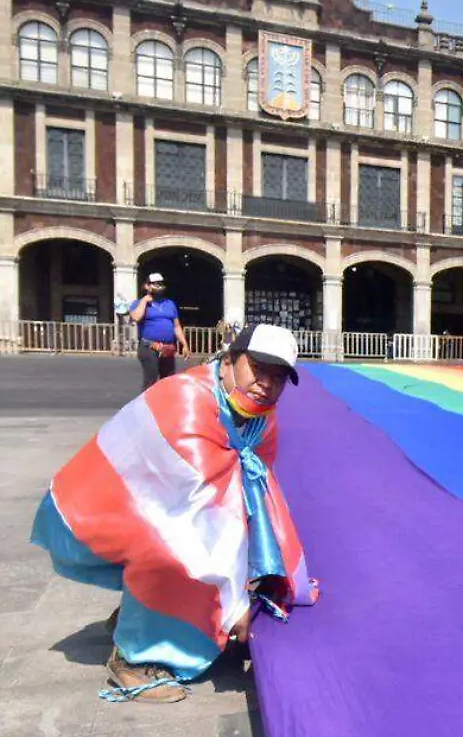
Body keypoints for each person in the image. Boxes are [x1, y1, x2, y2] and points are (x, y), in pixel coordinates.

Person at [31, 323, 321, 702]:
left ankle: (142, 617)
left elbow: (257, 491)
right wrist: (234, 604)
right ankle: (132, 659)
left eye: (278, 377)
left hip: (179, 505)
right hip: (116, 504)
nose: (266, 383)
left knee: (233, 545)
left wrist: (266, 564)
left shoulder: (261, 416)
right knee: (175, 553)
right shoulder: (188, 399)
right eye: (259, 369)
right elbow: (197, 508)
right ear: (231, 359)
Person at [128, 272, 188, 391]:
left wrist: (185, 344)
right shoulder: (138, 303)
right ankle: (145, 405)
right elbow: (136, 317)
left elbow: (176, 326)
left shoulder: (169, 304)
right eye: (155, 284)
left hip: (167, 347)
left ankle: (163, 405)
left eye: (161, 284)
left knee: (168, 379)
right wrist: (144, 301)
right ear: (147, 286)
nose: (159, 287)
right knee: (151, 377)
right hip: (149, 346)